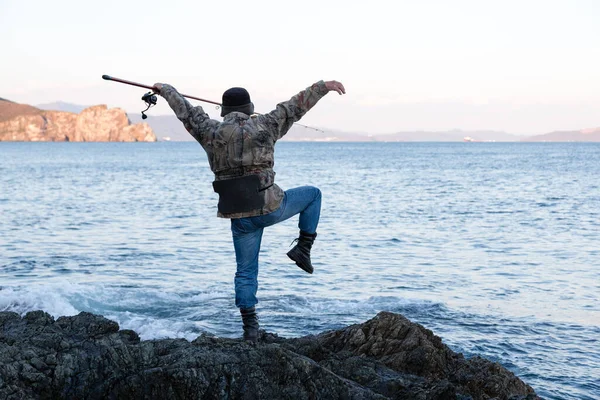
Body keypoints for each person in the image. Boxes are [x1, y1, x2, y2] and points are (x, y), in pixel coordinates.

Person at [152, 79, 346, 341]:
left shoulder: (210, 132)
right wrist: (323, 87)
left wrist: (166, 91)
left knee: (245, 271)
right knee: (313, 195)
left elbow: (186, 112)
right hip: (271, 207)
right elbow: (294, 107)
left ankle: (250, 329)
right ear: (250, 107)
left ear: (222, 111)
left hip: (240, 214)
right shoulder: (266, 124)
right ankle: (303, 248)